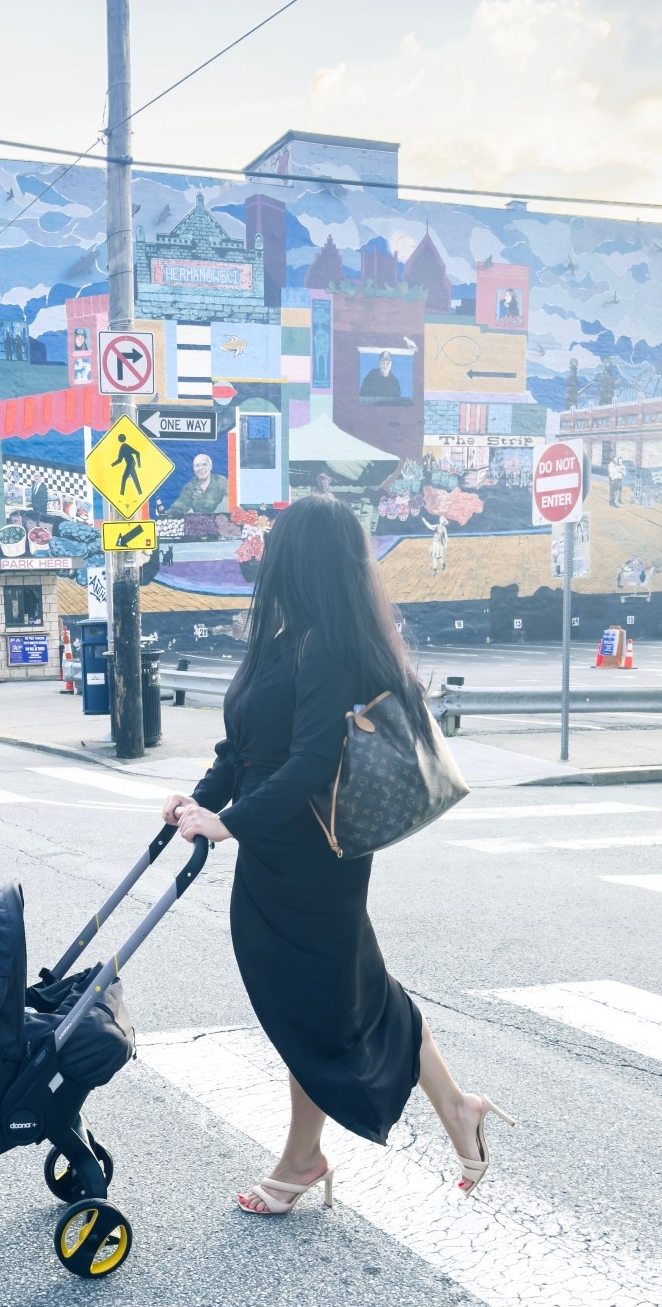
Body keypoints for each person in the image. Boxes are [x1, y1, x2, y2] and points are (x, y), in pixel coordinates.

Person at [163, 496, 512, 1212]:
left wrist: (228, 824)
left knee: (311, 1006)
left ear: (298, 557)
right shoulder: (286, 638)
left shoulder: (326, 645)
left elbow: (312, 761)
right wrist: (196, 801)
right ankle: (455, 1107)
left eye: (273, 544)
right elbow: (243, 750)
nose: (261, 553)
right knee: (348, 993)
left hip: (312, 855)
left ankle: (301, 1160)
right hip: (275, 846)